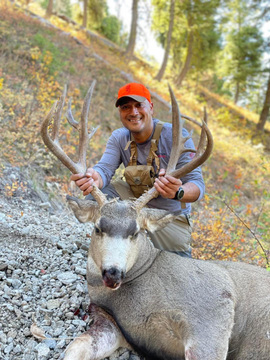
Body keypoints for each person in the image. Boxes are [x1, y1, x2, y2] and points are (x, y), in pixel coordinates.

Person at [71, 82, 205, 258]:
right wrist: (94, 178)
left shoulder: (176, 137)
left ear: (150, 107)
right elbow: (104, 169)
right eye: (126, 107)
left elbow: (197, 185)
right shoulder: (119, 137)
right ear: (120, 113)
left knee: (179, 269)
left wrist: (178, 192)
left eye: (138, 105)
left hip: (167, 216)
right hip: (133, 208)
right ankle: (116, 247)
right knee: (97, 194)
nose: (133, 112)